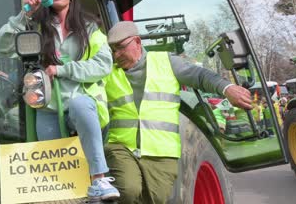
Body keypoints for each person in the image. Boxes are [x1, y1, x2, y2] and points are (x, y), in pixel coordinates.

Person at [0, 0, 119, 200]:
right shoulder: (38, 28)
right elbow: (2, 47)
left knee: (81, 105)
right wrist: (24, 14)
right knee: (57, 177)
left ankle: (99, 179)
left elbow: (104, 64)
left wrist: (62, 70)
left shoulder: (90, 27)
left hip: (83, 106)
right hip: (49, 109)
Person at [103, 21, 253, 204]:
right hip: (121, 146)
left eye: (120, 48)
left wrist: (227, 88)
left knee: (157, 199)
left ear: (137, 41)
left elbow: (198, 75)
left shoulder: (166, 62)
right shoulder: (107, 72)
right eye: (113, 49)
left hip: (160, 150)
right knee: (128, 189)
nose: (116, 55)